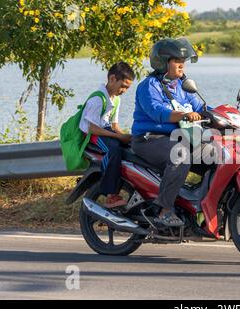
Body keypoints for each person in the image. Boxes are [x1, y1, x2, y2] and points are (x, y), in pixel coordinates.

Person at [131, 38, 206, 227]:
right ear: (163, 63)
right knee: (180, 156)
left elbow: (200, 107)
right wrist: (184, 115)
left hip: (178, 138)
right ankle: (164, 210)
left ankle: (198, 207)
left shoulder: (182, 86)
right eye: (176, 61)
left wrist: (220, 113)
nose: (182, 65)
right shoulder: (149, 86)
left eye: (183, 62)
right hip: (149, 139)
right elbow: (156, 111)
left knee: (214, 154)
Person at [79, 62, 135, 208]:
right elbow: (92, 128)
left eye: (127, 88)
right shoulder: (98, 99)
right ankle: (110, 195)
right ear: (112, 79)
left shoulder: (116, 99)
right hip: (94, 135)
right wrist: (117, 137)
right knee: (114, 150)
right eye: (122, 86)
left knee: (131, 147)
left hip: (106, 131)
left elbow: (114, 126)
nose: (123, 90)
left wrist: (125, 136)